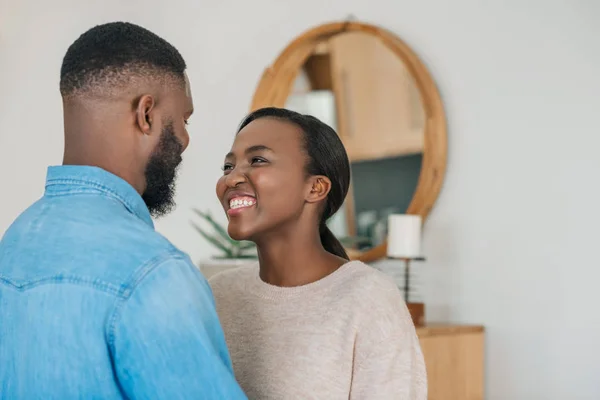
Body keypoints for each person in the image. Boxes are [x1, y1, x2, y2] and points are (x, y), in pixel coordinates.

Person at [0, 22, 246, 399]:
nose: (185, 139)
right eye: (184, 119)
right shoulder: (153, 273)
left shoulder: (14, 245)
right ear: (146, 114)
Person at [209, 107, 427, 399]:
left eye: (257, 160)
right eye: (228, 166)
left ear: (315, 188)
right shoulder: (218, 294)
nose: (232, 179)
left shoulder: (367, 299)